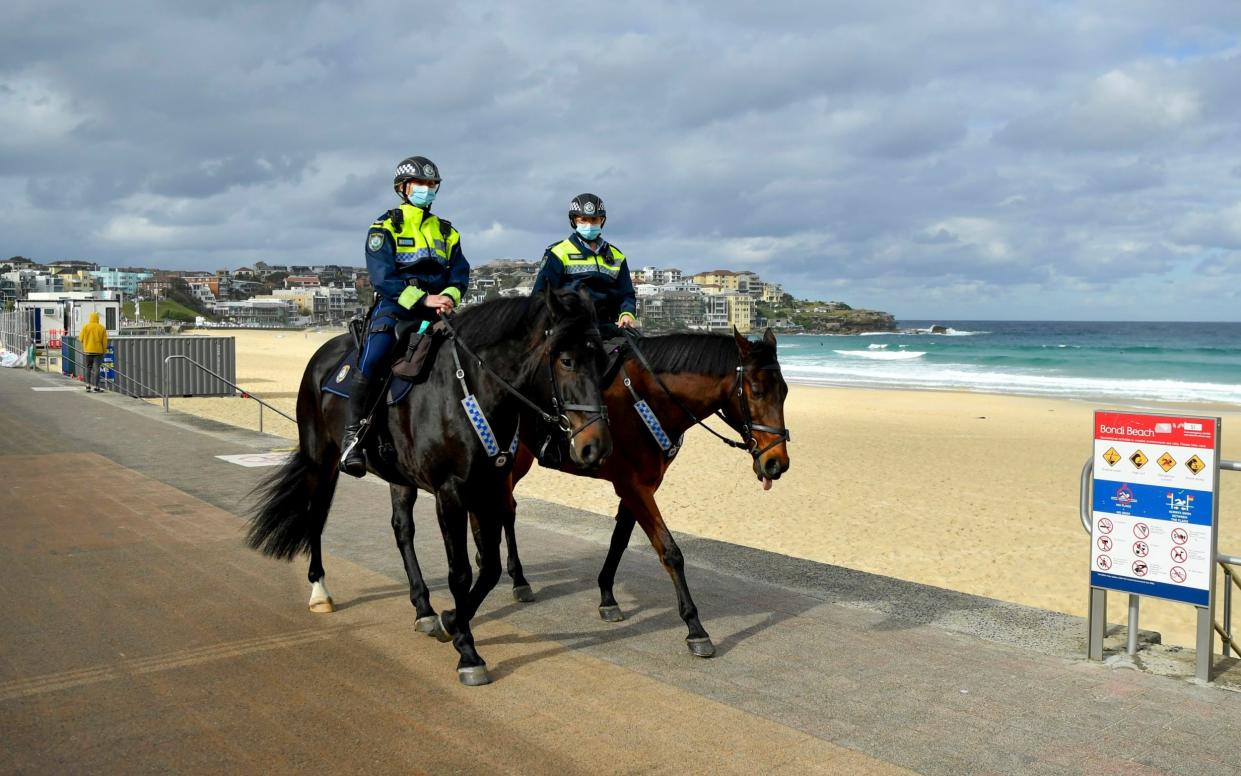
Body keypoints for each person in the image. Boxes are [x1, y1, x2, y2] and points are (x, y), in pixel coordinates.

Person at [339, 155, 469, 477]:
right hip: (396, 307)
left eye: (431, 185)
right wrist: (424, 299)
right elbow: (382, 277)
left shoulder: (447, 231)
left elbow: (461, 274)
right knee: (374, 357)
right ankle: (353, 437)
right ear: (403, 188)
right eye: (421, 184)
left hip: (439, 308)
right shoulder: (384, 227)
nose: (427, 189)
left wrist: (448, 299)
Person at [532, 193, 637, 336]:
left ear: (602, 220)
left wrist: (627, 313)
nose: (589, 224)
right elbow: (540, 294)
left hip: (609, 327)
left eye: (594, 219)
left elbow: (627, 294)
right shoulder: (557, 253)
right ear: (574, 221)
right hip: (572, 328)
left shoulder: (617, 255)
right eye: (583, 220)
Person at [79, 311, 108, 393]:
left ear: (90, 318)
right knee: (97, 369)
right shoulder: (101, 328)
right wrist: (104, 350)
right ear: (97, 319)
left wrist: (86, 344)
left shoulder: (85, 327)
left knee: (88, 368)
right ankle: (96, 387)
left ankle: (87, 386)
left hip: (88, 351)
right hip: (98, 352)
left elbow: (80, 339)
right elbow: (105, 342)